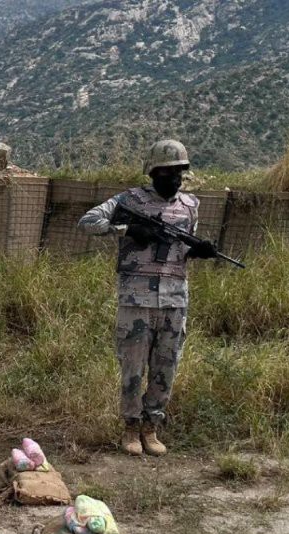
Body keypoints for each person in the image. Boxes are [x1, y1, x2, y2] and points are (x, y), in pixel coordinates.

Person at [77, 140, 219, 456]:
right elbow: (87, 222)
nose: (175, 178)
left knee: (165, 367)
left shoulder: (190, 205)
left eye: (179, 172)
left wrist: (199, 251)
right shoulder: (128, 200)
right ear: (154, 172)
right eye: (168, 172)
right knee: (132, 368)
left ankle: (151, 428)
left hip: (174, 300)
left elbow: (183, 247)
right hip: (136, 300)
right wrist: (127, 230)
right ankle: (130, 428)